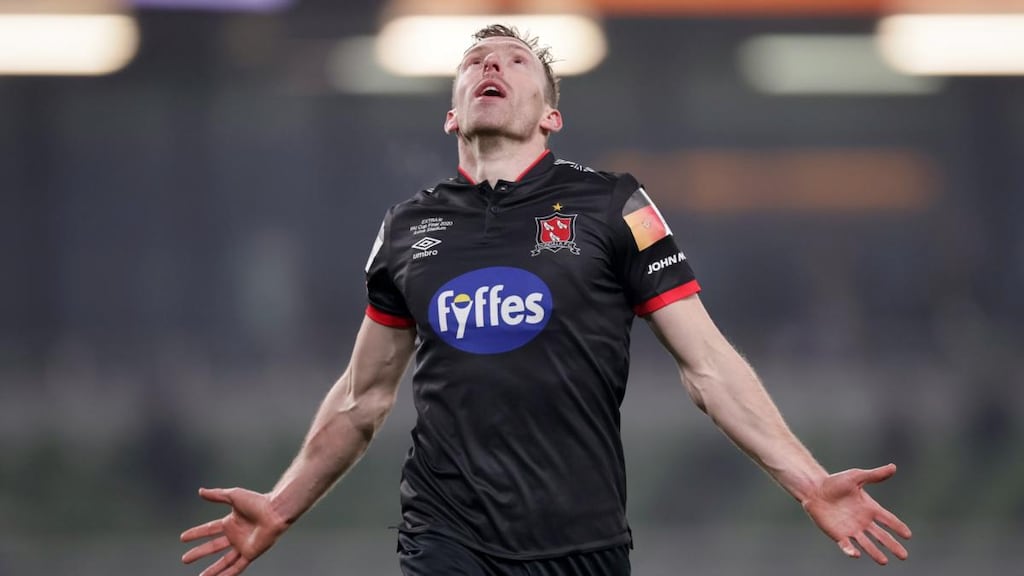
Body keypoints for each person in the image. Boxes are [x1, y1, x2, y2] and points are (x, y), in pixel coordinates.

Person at [180, 24, 912, 576]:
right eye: (473, 62)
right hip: (446, 538)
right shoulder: (406, 228)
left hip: (582, 544)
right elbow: (362, 398)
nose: (490, 65)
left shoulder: (612, 205)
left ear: (550, 116)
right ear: (451, 113)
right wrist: (280, 505)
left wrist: (809, 481)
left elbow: (708, 366)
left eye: (513, 59)